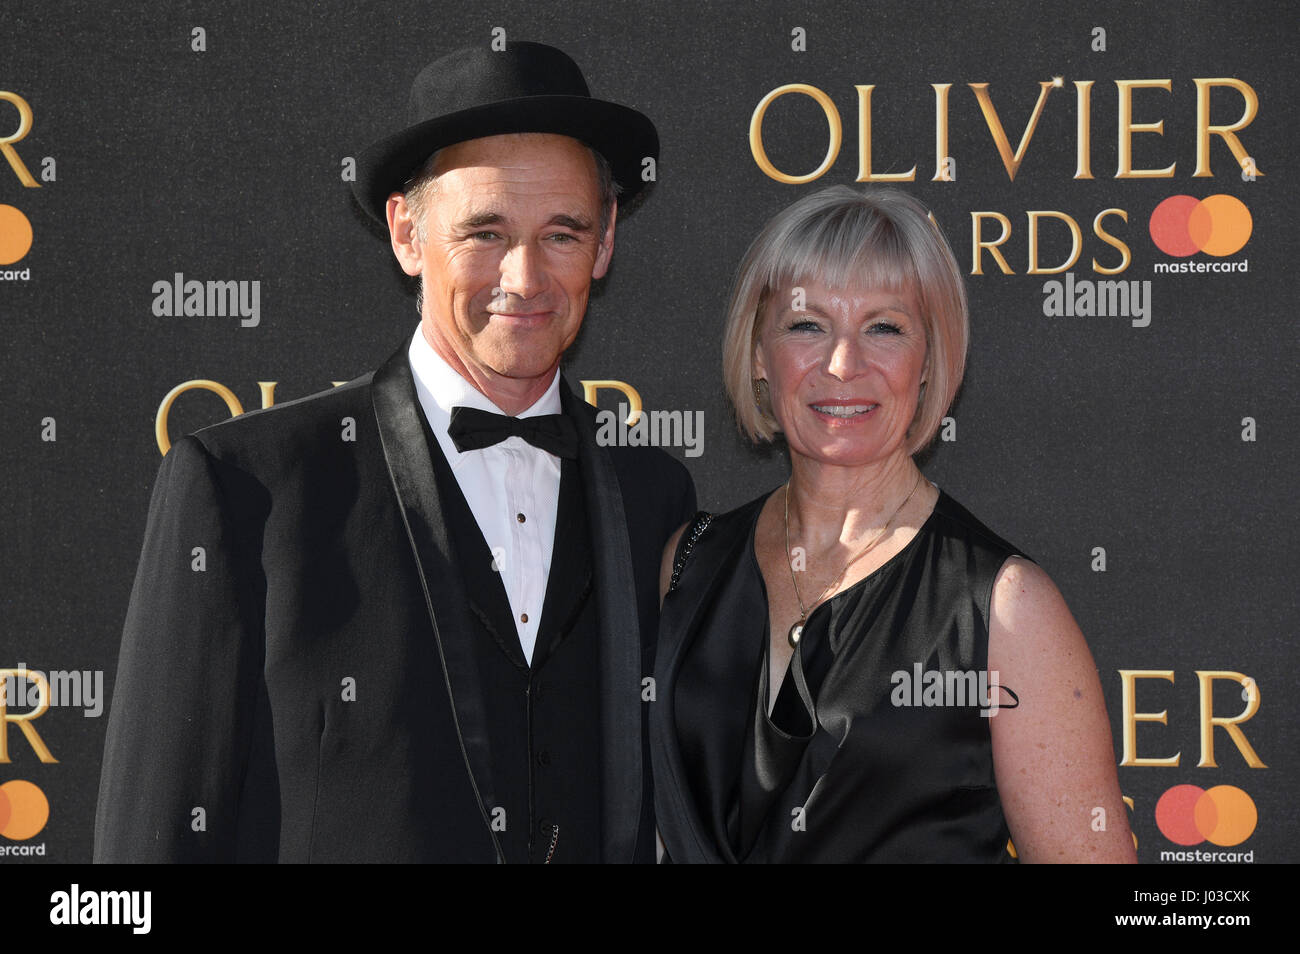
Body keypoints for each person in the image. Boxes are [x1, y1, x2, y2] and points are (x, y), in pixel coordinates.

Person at [94, 41, 695, 863]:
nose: (524, 277)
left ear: (607, 239)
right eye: (485, 231)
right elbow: (143, 857)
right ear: (408, 233)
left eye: (562, 232)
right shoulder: (246, 490)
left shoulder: (654, 498)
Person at [651, 186, 1135, 863]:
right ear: (760, 354)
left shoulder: (1002, 609)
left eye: (884, 327)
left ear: (930, 359)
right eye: (806, 325)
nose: (843, 364)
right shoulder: (691, 562)